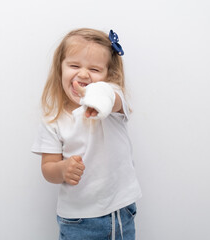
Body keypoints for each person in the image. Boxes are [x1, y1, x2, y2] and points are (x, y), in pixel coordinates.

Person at [31, 28, 142, 240]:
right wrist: (62, 169)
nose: (83, 74)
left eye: (94, 69)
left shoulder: (112, 104)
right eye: (74, 66)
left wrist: (99, 97)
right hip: (78, 220)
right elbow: (47, 168)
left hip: (120, 211)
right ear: (60, 69)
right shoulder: (53, 119)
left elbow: (112, 98)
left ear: (109, 75)